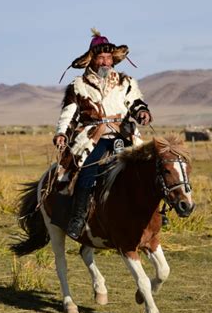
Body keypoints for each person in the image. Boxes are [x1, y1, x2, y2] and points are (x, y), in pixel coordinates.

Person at [53, 28, 152, 239]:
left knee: (146, 168)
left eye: (109, 57)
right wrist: (62, 133)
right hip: (93, 137)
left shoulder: (126, 82)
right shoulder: (79, 85)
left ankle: (151, 213)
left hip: (123, 134)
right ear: (92, 60)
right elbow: (69, 113)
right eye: (101, 57)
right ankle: (78, 217)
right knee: (86, 171)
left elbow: (135, 102)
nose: (106, 62)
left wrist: (142, 112)